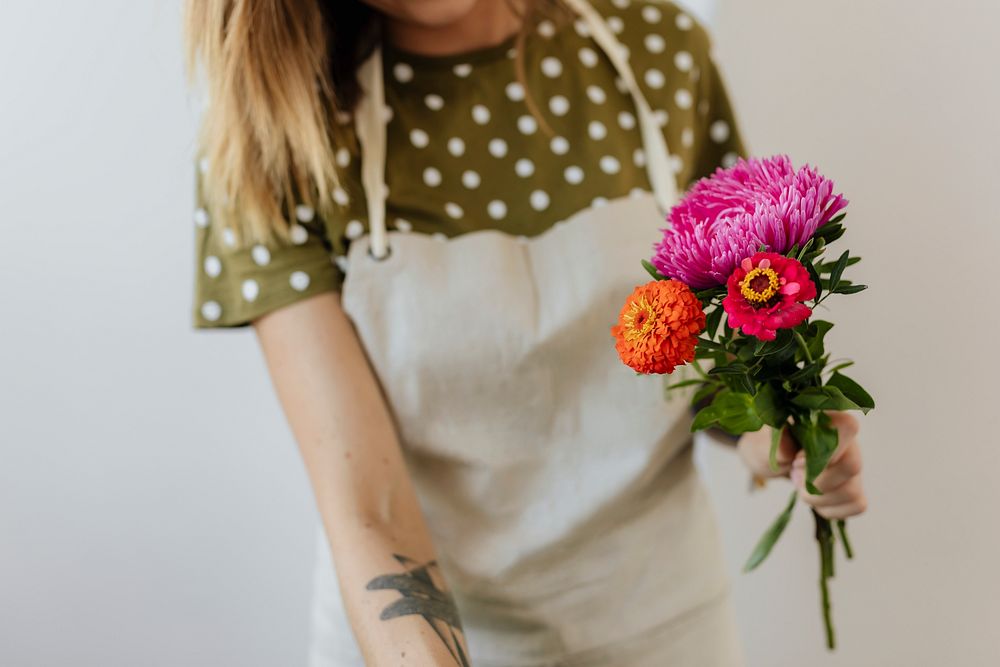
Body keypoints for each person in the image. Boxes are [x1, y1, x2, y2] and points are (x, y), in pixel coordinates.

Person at [185, 0, 868, 664]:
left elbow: (708, 364)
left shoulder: (658, 52)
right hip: (418, 639)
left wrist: (771, 436)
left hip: (663, 626)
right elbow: (373, 505)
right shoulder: (275, 136)